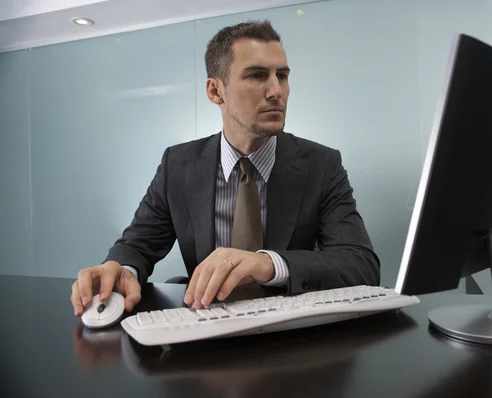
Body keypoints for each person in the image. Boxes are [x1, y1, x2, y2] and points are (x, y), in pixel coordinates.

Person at [71, 19, 380, 317]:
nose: (277, 91)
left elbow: (360, 264)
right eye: (257, 75)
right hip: (208, 332)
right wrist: (121, 269)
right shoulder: (178, 166)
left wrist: (269, 264)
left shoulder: (322, 164)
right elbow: (138, 244)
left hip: (296, 338)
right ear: (215, 91)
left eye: (282, 76)